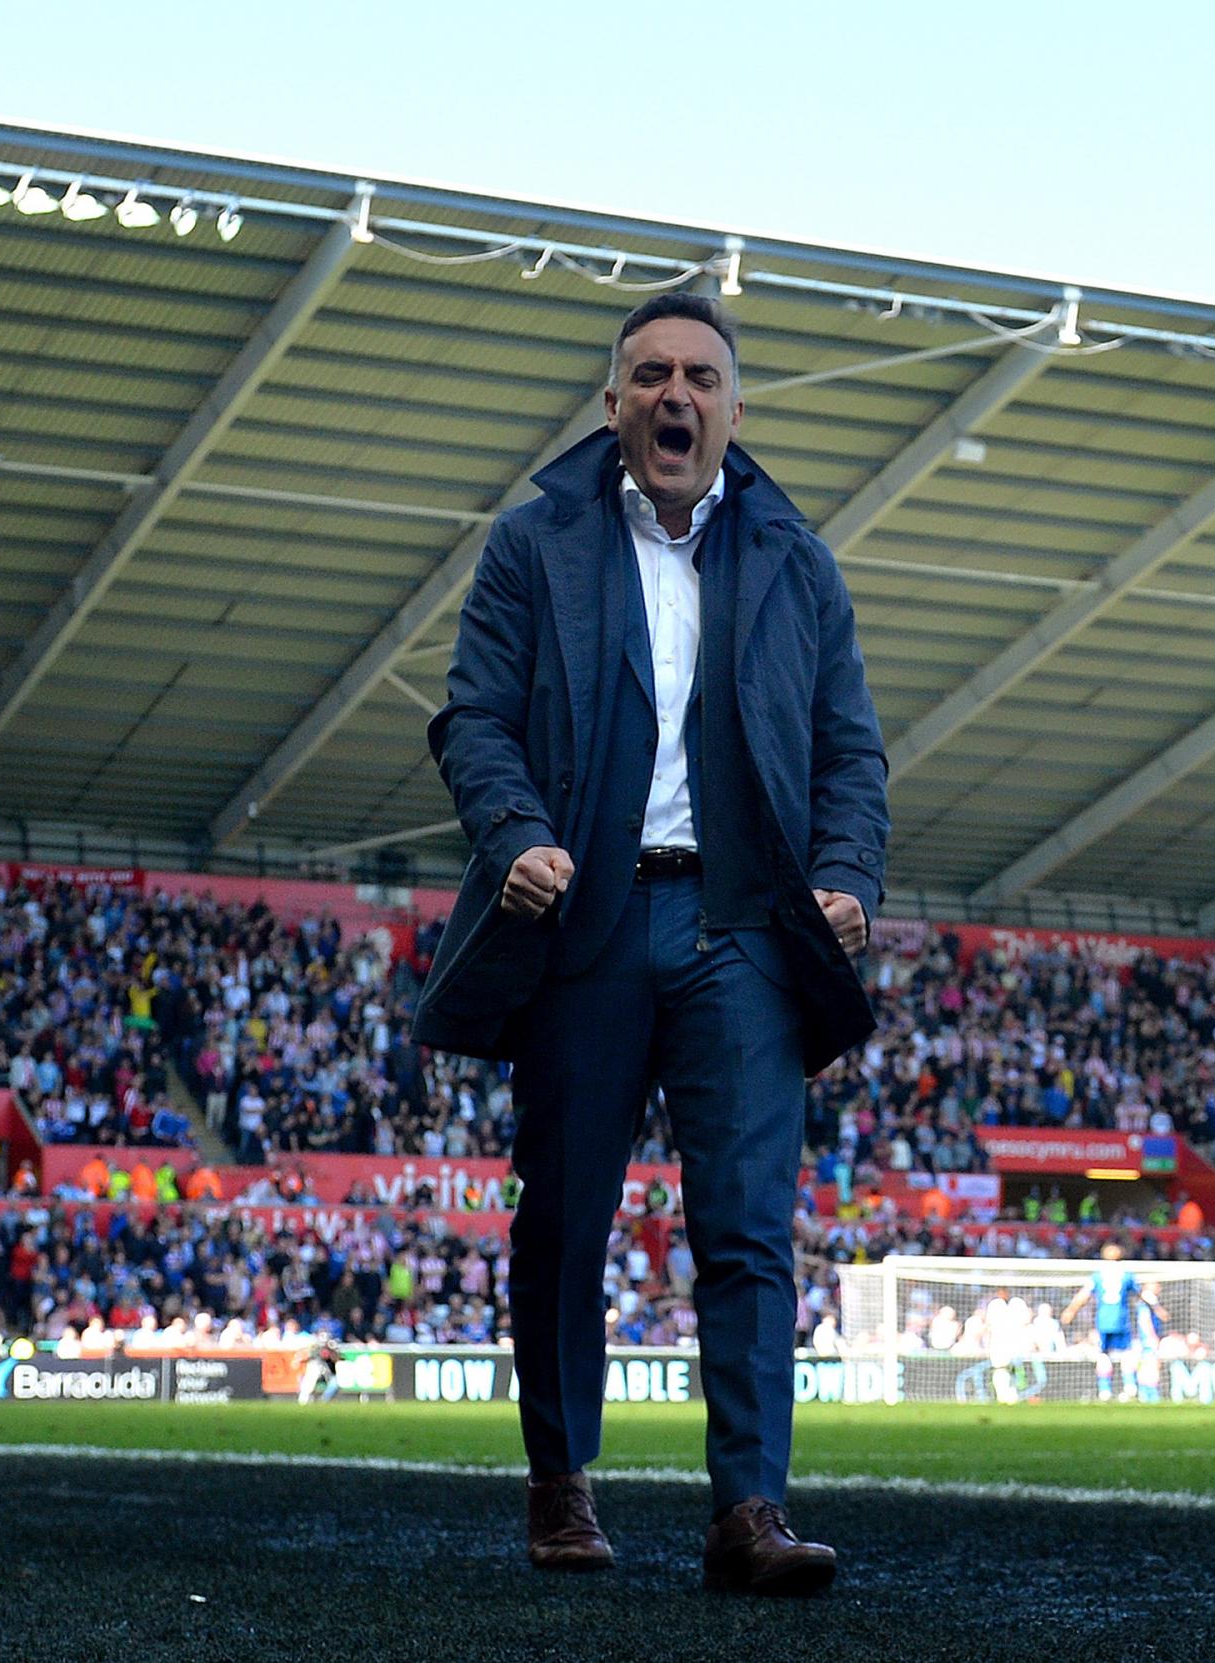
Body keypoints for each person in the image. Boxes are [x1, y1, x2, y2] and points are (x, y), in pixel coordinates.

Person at [416, 294, 884, 1597]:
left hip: (742, 922)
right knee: (566, 1217)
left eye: (701, 376)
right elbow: (473, 720)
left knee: (745, 1229)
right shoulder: (536, 543)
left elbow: (852, 749)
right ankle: (563, 1484)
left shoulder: (797, 561)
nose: (676, 394)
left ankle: (751, 1507)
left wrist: (846, 871)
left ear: (735, 408)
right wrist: (514, 834)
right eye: (650, 374)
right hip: (588, 914)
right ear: (614, 401)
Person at [1061, 1242, 1155, 1401]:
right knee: (1126, 1353)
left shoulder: (1098, 1275)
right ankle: (1129, 1387)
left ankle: (1105, 1390)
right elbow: (1142, 1294)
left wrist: (1071, 1310)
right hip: (1121, 1319)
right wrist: (1157, 1307)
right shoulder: (1126, 1275)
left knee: (1104, 1354)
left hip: (1103, 1320)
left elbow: (1083, 1295)